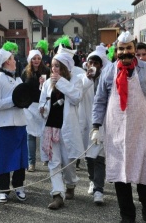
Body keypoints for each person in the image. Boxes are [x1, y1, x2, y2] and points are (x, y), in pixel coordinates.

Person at [91, 31, 146, 222]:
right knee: (120, 175)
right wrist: (95, 126)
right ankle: (127, 214)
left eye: (128, 48)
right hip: (116, 134)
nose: (125, 52)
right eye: (121, 48)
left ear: (135, 49)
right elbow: (99, 101)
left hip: (143, 132)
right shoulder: (108, 72)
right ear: (116, 51)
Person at [39, 51, 85, 210]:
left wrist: (61, 83)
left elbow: (76, 97)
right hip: (51, 127)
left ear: (65, 67)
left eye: (57, 66)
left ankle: (71, 183)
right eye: (52, 66)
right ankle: (58, 194)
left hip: (67, 128)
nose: (54, 69)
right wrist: (42, 109)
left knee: (68, 161)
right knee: (54, 162)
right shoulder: (47, 83)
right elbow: (42, 102)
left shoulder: (75, 81)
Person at [0, 46, 28, 203]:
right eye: (11, 59)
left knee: (20, 157)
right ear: (4, 63)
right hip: (3, 125)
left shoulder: (18, 78)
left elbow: (22, 98)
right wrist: (14, 100)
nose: (14, 61)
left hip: (19, 123)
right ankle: (3, 189)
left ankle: (19, 185)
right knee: (3, 157)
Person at [79, 45, 110, 205]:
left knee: (99, 157)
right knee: (88, 157)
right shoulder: (83, 78)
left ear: (101, 65)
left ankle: (99, 189)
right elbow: (76, 95)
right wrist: (87, 79)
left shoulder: (106, 78)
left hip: (102, 124)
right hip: (86, 124)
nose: (93, 66)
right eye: (90, 62)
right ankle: (92, 179)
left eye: (96, 63)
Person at [21, 49, 49, 172]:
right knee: (30, 135)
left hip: (43, 105)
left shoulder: (46, 71)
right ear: (30, 60)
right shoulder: (25, 73)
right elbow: (22, 88)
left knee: (44, 133)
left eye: (38, 58)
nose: (36, 60)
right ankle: (31, 162)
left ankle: (46, 158)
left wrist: (43, 85)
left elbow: (50, 90)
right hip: (29, 106)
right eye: (34, 58)